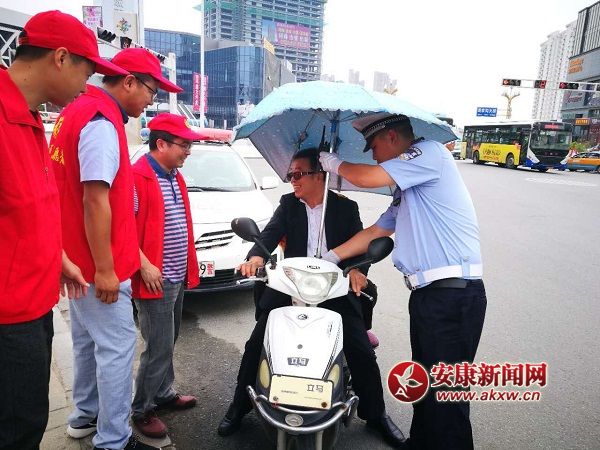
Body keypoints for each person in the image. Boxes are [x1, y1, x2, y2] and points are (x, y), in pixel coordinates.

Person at [217, 148, 407, 448]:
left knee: (359, 348)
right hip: (291, 286)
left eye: (298, 174)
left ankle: (375, 414)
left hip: (333, 288)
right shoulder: (288, 204)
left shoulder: (345, 208)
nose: (292, 180)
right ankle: (239, 406)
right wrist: (255, 257)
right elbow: (269, 235)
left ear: (320, 175)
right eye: (290, 174)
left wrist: (359, 271)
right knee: (257, 343)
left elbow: (359, 245)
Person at [319, 113, 487, 450]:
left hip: (452, 296)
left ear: (392, 137)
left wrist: (333, 163)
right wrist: (329, 258)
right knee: (425, 386)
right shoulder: (409, 187)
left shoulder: (430, 153)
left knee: (446, 398)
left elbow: (368, 177)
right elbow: (376, 231)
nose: (373, 155)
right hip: (429, 297)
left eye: (374, 146)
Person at [0, 10, 126, 450]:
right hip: (9, 319)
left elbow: (24, 210)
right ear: (60, 58)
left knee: (31, 417)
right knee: (17, 428)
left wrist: (56, 257)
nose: (86, 86)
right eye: (86, 73)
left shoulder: (31, 120)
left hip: (35, 306)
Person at [50, 48, 182, 450]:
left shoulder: (74, 113)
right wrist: (106, 269)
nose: (150, 102)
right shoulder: (101, 122)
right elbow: (95, 199)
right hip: (96, 267)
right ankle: (113, 440)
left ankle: (84, 417)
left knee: (87, 343)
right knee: (117, 350)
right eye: (151, 91)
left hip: (76, 258)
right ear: (128, 82)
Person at [130, 113, 204, 438]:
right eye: (183, 144)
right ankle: (142, 409)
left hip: (175, 274)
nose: (188, 150)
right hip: (154, 278)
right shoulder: (137, 177)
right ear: (161, 144)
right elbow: (120, 227)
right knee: (157, 346)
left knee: (168, 340)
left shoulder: (174, 175)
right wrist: (143, 264)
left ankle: (163, 392)